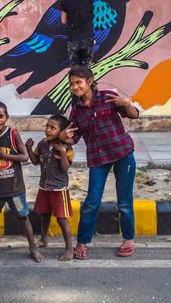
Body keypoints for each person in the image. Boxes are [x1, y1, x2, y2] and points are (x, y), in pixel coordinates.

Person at [58, 66, 140, 260]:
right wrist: (63, 136)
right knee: (92, 202)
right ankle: (83, 242)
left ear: (89, 81)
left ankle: (128, 240)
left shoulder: (108, 97)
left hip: (123, 153)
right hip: (98, 158)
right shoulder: (76, 110)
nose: (75, 87)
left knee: (125, 202)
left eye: (78, 82)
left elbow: (135, 115)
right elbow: (74, 138)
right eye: (72, 84)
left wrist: (126, 104)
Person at [0, 101, 45, 263]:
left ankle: (33, 248)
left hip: (15, 188)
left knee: (23, 217)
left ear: (7, 117)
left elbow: (24, 156)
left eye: (1, 116)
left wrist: (4, 156)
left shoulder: (13, 134)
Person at [26, 114, 75, 261]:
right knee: (44, 214)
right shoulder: (42, 144)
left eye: (52, 128)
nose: (48, 130)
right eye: (47, 126)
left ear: (61, 131)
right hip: (44, 187)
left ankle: (69, 248)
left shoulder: (66, 147)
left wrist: (62, 153)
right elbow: (35, 161)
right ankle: (43, 239)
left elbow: (65, 168)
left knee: (61, 219)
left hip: (59, 189)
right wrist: (29, 149)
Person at [59, 0, 108, 67]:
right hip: (87, 39)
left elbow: (63, 21)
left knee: (75, 71)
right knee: (85, 71)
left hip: (73, 40)